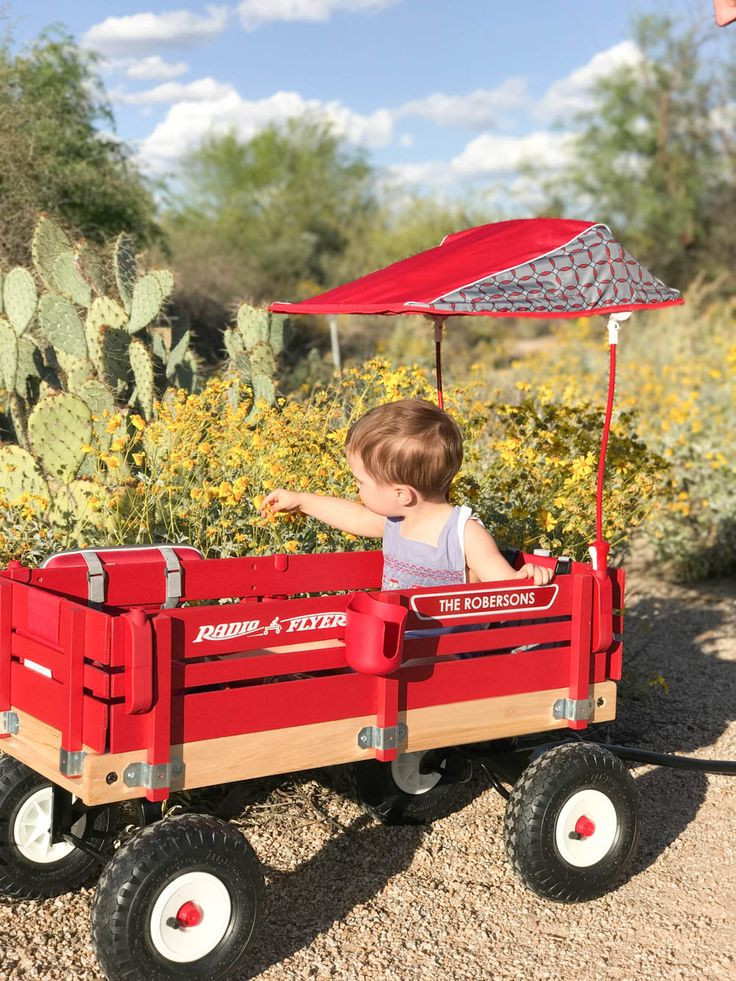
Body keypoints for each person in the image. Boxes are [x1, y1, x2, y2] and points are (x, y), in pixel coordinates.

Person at [259, 398, 553, 590]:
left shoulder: (465, 534)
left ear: (402, 494)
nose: (356, 489)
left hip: (447, 654)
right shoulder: (399, 518)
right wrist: (302, 501)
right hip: (398, 641)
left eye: (360, 482)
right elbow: (355, 516)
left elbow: (505, 590)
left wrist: (527, 578)